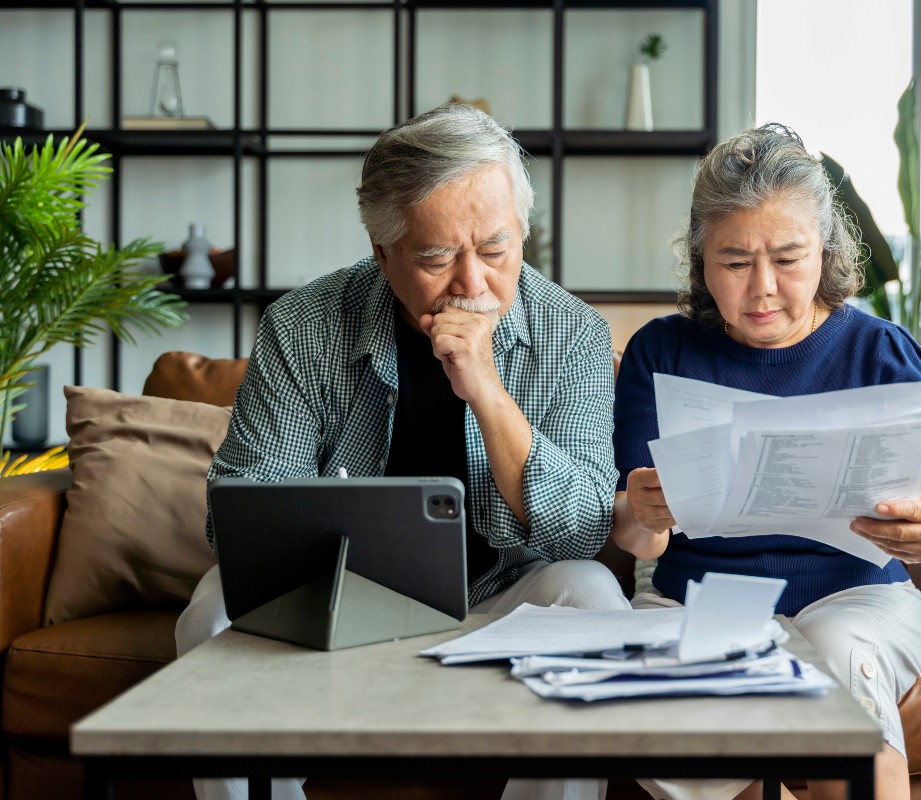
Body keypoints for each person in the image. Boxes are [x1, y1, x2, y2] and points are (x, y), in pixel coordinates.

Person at [176, 102, 628, 800]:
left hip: (501, 596)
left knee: (594, 597)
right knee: (211, 611)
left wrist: (486, 390)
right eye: (437, 257)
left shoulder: (573, 334)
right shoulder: (302, 326)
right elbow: (239, 518)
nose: (472, 284)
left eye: (496, 250)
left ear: (523, 232)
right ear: (382, 252)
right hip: (334, 596)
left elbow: (583, 531)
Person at [610, 123, 921, 800]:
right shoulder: (661, 352)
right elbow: (637, 538)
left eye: (788, 258)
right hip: (694, 596)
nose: (763, 289)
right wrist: (642, 509)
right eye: (734, 262)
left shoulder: (882, 352)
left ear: (825, 251)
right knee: (673, 705)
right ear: (700, 259)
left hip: (856, 593)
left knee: (841, 661)